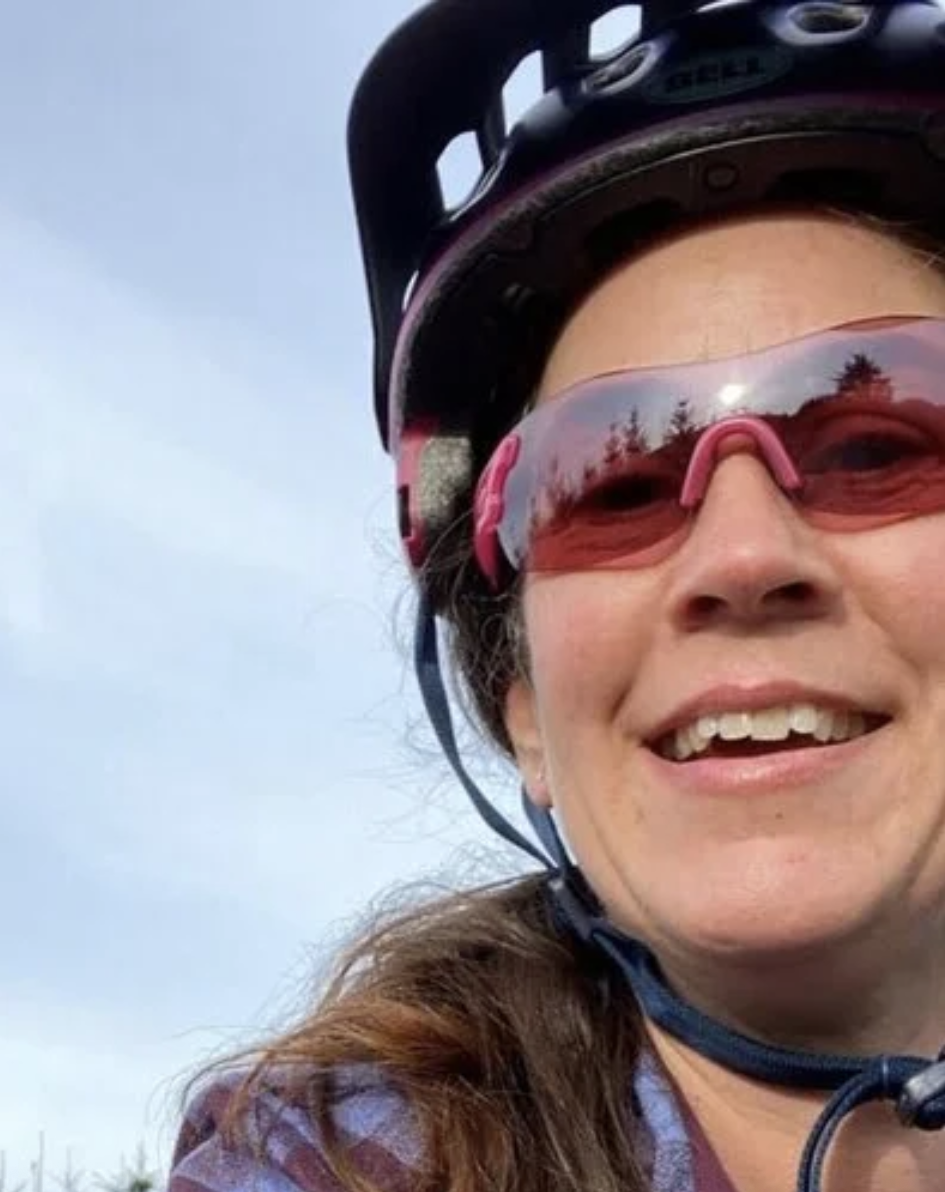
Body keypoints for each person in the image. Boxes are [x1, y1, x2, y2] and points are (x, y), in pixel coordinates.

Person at [168, 1, 945, 1189]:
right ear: (524, 710)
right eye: (611, 480)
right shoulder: (336, 1161)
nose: (741, 557)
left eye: (874, 441)